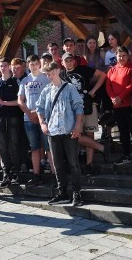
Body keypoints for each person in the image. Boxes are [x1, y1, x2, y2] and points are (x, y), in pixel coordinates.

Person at [36, 61, 85, 207]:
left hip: (69, 130)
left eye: (51, 73)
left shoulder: (69, 88)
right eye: (47, 74)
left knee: (73, 163)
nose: (50, 76)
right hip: (53, 131)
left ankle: (77, 193)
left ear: (58, 71)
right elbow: (39, 108)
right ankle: (62, 192)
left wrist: (77, 126)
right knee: (57, 164)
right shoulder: (46, 90)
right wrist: (42, 123)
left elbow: (78, 107)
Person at [61, 52, 108, 174]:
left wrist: (93, 90)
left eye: (71, 60)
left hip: (88, 105)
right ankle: (101, 147)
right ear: (62, 63)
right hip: (73, 111)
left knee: (89, 135)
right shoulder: (61, 75)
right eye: (66, 61)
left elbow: (102, 75)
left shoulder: (83, 69)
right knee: (75, 136)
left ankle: (89, 165)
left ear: (74, 61)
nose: (69, 62)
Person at [18, 54, 52, 186]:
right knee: (35, 148)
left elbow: (50, 98)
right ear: (28, 65)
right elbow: (20, 100)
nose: (33, 66)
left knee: (49, 148)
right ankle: (36, 175)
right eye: (30, 64)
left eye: (35, 63)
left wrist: (38, 113)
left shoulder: (46, 79)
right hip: (29, 119)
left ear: (39, 64)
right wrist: (29, 112)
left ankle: (55, 176)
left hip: (44, 117)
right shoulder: (25, 81)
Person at [107, 46, 132, 164]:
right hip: (117, 106)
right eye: (119, 55)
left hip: (128, 105)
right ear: (116, 56)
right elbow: (108, 85)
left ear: (128, 56)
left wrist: (120, 97)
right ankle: (126, 155)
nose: (121, 58)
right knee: (123, 132)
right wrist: (113, 98)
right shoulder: (112, 70)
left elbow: (131, 85)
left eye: (124, 55)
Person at [0, 57, 22, 188]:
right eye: (1, 66)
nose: (3, 68)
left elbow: (19, 101)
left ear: (9, 67)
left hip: (13, 117)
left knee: (15, 145)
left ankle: (16, 171)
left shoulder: (16, 82)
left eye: (5, 65)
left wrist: (4, 103)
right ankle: (6, 173)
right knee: (3, 146)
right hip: (0, 118)